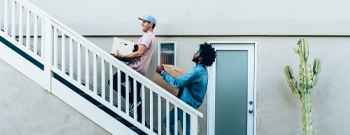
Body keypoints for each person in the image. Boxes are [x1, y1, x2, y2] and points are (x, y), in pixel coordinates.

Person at [156, 42, 216, 135]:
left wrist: (163, 72)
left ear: (200, 58)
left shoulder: (196, 71)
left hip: (187, 106)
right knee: (168, 121)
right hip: (186, 104)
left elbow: (177, 83)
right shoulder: (204, 71)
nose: (194, 53)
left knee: (188, 133)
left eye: (197, 52)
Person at [109, 14, 156, 123]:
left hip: (135, 68)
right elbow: (137, 50)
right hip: (140, 70)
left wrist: (122, 56)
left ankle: (132, 100)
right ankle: (142, 122)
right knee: (137, 97)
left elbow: (139, 53)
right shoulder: (149, 37)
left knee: (113, 81)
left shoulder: (148, 36)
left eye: (144, 21)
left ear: (151, 24)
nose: (142, 23)